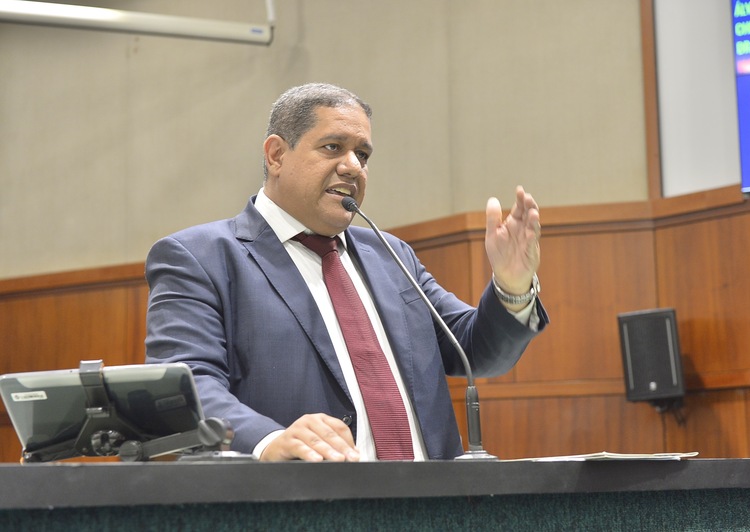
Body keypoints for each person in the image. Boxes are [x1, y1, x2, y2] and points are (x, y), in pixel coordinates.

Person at [145, 82, 548, 462]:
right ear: (276, 155)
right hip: (303, 496)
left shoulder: (391, 255)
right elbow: (188, 385)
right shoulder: (201, 258)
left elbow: (475, 350)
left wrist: (512, 286)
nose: (354, 166)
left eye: (363, 154)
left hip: (434, 498)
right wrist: (269, 441)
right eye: (333, 147)